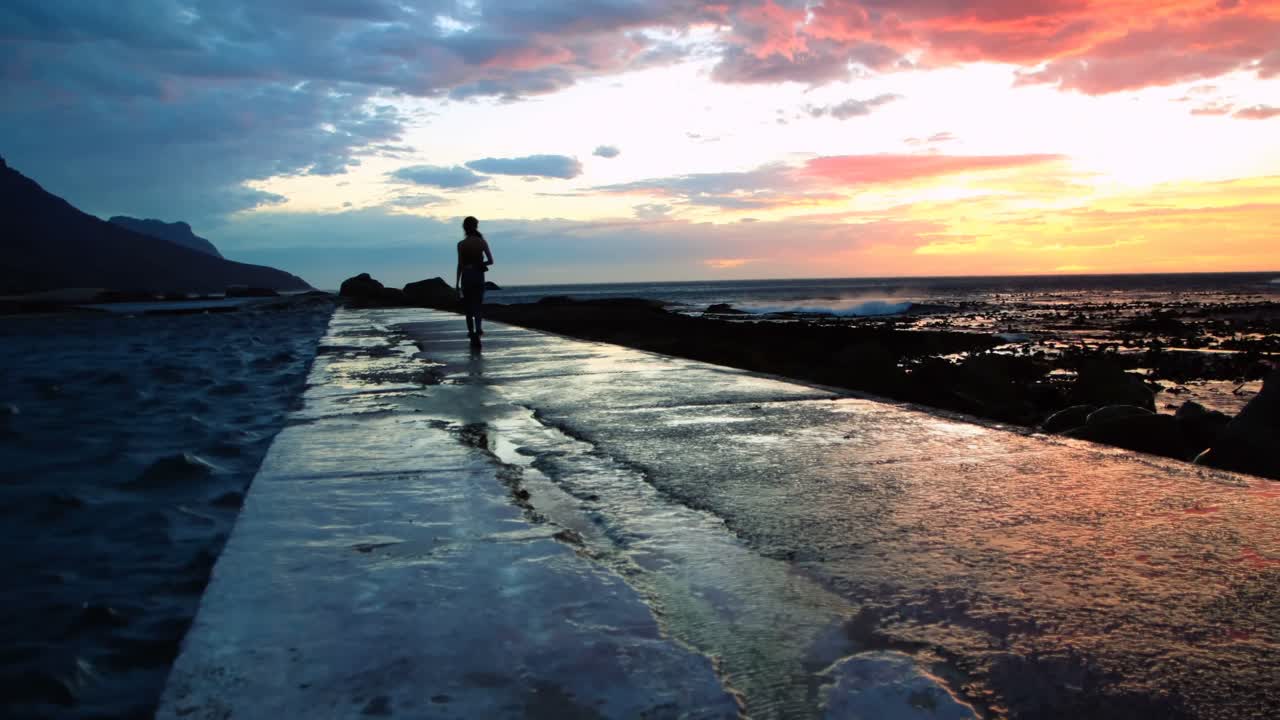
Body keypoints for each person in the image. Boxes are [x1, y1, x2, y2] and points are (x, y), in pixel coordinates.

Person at [455, 216, 493, 344]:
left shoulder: (461, 244)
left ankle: (471, 332)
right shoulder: (481, 242)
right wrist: (480, 264)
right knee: (478, 305)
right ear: (476, 226)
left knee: (468, 307)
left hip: (466, 276)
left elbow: (460, 265)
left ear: (464, 228)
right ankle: (479, 329)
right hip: (478, 276)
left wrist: (456, 283)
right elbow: (491, 261)